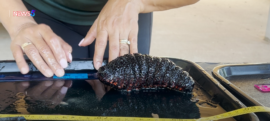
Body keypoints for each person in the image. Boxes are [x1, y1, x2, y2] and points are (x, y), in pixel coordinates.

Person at [0, 0, 199, 78]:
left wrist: (136, 2)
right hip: (38, 10)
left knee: (124, 94)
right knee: (49, 94)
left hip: (127, 9)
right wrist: (21, 23)